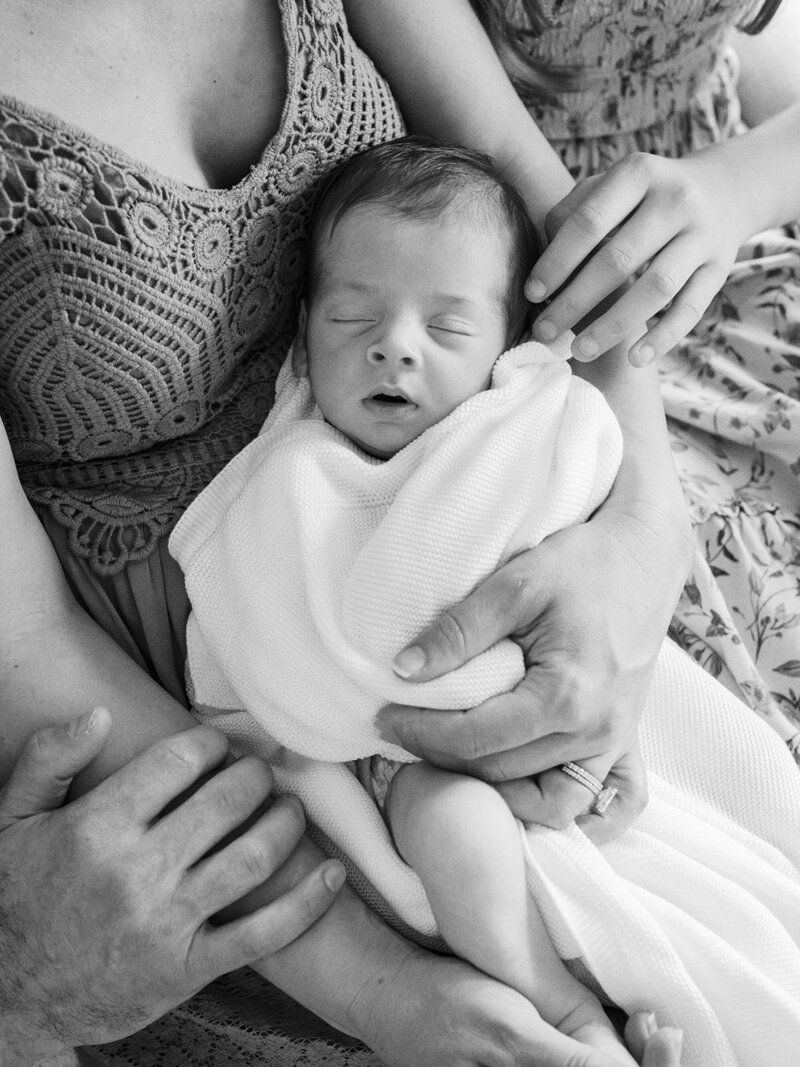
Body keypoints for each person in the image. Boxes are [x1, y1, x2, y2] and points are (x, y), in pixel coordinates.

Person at [0, 1, 690, 1065]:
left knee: (687, 920)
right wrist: (386, 989)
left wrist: (638, 546)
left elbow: (554, 233)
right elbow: (25, 631)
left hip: (482, 537)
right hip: (205, 728)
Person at [172, 137, 800, 1067]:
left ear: (507, 345)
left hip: (549, 681)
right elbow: (255, 624)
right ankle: (568, 1008)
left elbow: (587, 495)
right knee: (448, 823)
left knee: (714, 855)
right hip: (406, 762)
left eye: (450, 329)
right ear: (304, 332)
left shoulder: (518, 427)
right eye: (353, 317)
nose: (395, 344)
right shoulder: (291, 473)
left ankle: (663, 997)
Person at [343, 0, 800, 762]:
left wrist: (733, 188)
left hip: (734, 240)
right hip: (536, 296)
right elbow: (506, 160)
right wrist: (649, 513)